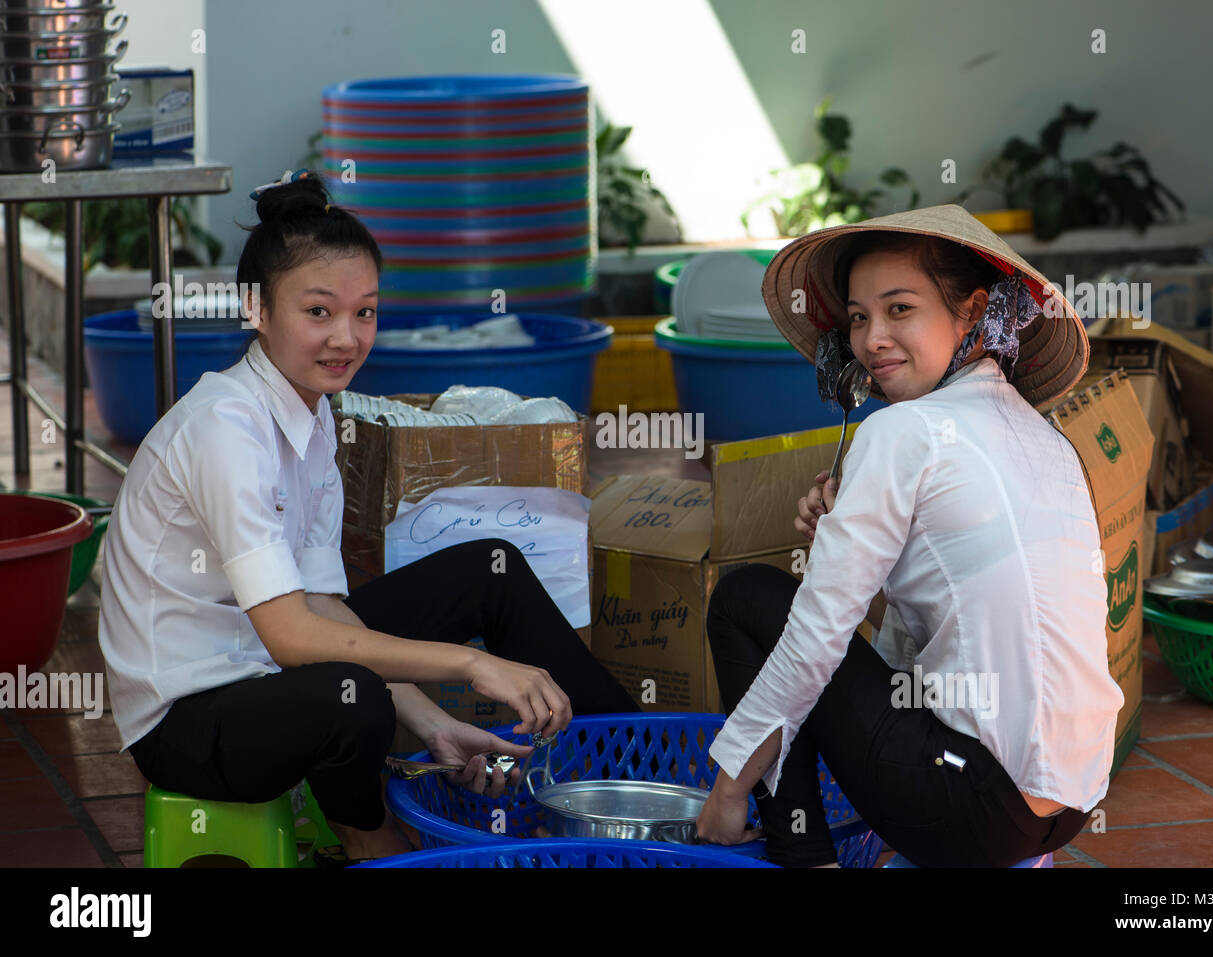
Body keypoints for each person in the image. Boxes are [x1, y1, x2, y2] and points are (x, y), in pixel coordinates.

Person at [98, 168, 637, 866]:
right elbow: (294, 637)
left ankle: (627, 771)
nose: (346, 338)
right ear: (255, 308)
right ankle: (366, 834)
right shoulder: (226, 426)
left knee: (488, 567)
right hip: (188, 720)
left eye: (366, 312)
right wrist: (473, 664)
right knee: (352, 698)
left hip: (268, 672)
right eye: (317, 311)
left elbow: (323, 601)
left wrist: (436, 721)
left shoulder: (314, 417)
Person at [695, 204, 1124, 867]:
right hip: (1070, 801)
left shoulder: (899, 432)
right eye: (860, 317)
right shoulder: (1045, 439)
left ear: (972, 311)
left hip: (973, 806)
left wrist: (729, 791)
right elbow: (943, 625)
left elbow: (816, 636)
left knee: (747, 596)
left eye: (900, 309)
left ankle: (801, 852)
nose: (872, 339)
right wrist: (860, 546)